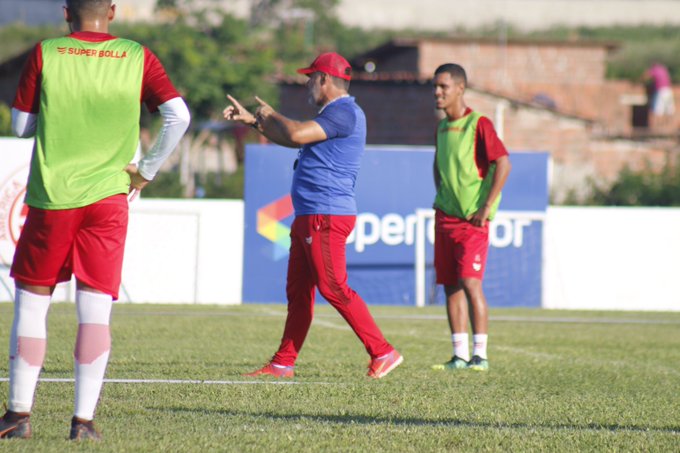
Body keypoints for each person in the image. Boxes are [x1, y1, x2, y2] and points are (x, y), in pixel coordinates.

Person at [1, 0, 190, 441]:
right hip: (109, 196)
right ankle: (83, 423)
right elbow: (178, 115)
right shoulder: (137, 55)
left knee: (32, 303)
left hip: (54, 195)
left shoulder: (47, 52)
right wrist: (146, 169)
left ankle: (17, 416)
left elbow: (21, 126)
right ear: (113, 11)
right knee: (95, 307)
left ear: (66, 13)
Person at [223, 52, 403, 379]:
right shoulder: (334, 113)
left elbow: (294, 133)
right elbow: (290, 139)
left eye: (310, 77)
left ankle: (383, 351)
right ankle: (282, 363)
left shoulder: (345, 112)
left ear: (324, 79)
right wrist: (254, 120)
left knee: (333, 286)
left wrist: (269, 113)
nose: (307, 83)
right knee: (299, 292)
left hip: (326, 214)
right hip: (311, 214)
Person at [430, 63, 511, 372]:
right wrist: (442, 195)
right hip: (446, 218)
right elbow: (438, 165)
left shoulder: (479, 124)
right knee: (450, 286)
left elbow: (503, 164)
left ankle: (481, 355)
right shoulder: (440, 128)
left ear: (460, 89)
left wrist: (486, 207)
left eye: (443, 87)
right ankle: (459, 356)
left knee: (470, 283)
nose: (437, 92)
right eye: (435, 87)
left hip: (473, 222)